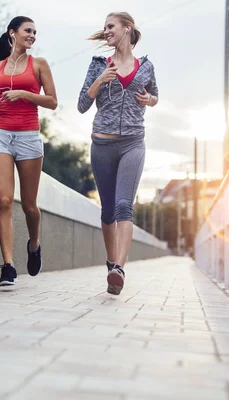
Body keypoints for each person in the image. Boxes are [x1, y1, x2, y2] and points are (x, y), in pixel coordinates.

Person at [77, 12, 158, 295]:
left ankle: (119, 269)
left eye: (111, 26)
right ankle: (111, 261)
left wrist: (149, 99)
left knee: (125, 205)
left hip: (133, 143)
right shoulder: (99, 65)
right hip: (102, 144)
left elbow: (155, 96)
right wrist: (100, 80)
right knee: (108, 209)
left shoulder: (145, 66)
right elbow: (82, 105)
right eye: (105, 28)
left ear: (127, 29)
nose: (106, 31)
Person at [0, 16, 57, 286]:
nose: (33, 35)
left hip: (28, 138)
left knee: (29, 207)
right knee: (3, 201)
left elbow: (52, 101)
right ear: (13, 33)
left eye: (35, 32)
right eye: (28, 30)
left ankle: (34, 244)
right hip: (1, 136)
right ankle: (8, 266)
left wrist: (25, 95)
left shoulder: (38, 64)